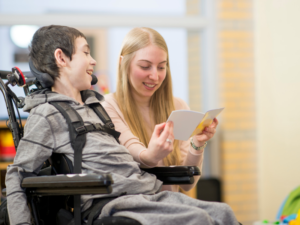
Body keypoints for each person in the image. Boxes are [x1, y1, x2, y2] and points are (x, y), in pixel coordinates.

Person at [5, 25, 239, 225]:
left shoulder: (93, 107)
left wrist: (197, 144)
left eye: (161, 67)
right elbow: (18, 174)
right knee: (197, 220)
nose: (93, 60)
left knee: (224, 214)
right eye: (86, 53)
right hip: (114, 201)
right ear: (62, 58)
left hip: (144, 192)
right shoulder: (48, 114)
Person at [102, 27, 218, 192]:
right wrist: (152, 155)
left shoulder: (178, 106)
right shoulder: (108, 106)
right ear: (123, 63)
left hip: (170, 207)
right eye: (145, 66)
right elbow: (136, 151)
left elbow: (187, 184)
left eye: (161, 67)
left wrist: (197, 143)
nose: (155, 76)